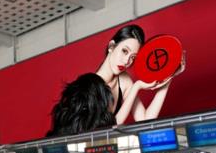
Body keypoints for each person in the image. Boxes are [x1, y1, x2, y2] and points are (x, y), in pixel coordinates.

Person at [48, 24, 185, 136]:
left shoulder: (124, 81)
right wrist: (136, 87)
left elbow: (145, 120)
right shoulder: (88, 86)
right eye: (124, 51)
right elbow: (104, 131)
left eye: (133, 57)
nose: (126, 61)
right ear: (111, 46)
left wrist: (169, 75)